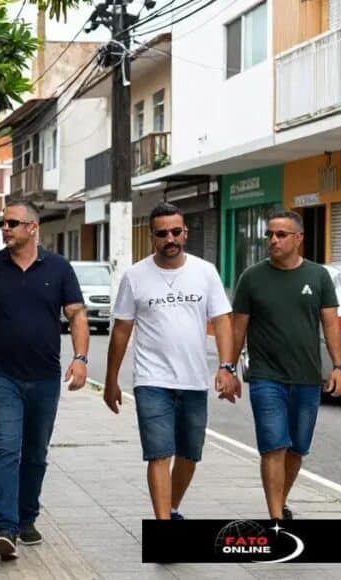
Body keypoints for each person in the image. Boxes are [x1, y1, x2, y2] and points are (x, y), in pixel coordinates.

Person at [0, 199, 89, 559]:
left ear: (33, 227)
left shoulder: (58, 268)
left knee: (35, 454)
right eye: (3, 223)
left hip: (45, 378)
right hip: (0, 376)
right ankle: (4, 528)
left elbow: (77, 314)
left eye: (13, 223)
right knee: (5, 450)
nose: (6, 229)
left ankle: (27, 516)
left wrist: (80, 358)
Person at [103, 203, 237, 521]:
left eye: (176, 231)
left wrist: (226, 366)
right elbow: (121, 331)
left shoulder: (205, 272)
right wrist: (111, 380)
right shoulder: (135, 276)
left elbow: (222, 321)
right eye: (162, 233)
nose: (170, 238)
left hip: (193, 380)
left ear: (185, 233)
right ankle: (163, 524)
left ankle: (172, 507)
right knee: (159, 453)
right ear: (152, 237)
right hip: (152, 381)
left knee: (190, 454)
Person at [231, 210, 341, 521]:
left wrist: (338, 367)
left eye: (281, 235)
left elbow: (331, 324)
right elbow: (237, 328)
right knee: (273, 447)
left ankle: (279, 502)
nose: (273, 240)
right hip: (266, 377)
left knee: (297, 449)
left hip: (307, 378)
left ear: (299, 239)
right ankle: (275, 520)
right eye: (270, 234)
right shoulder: (251, 278)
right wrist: (228, 369)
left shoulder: (317, 276)